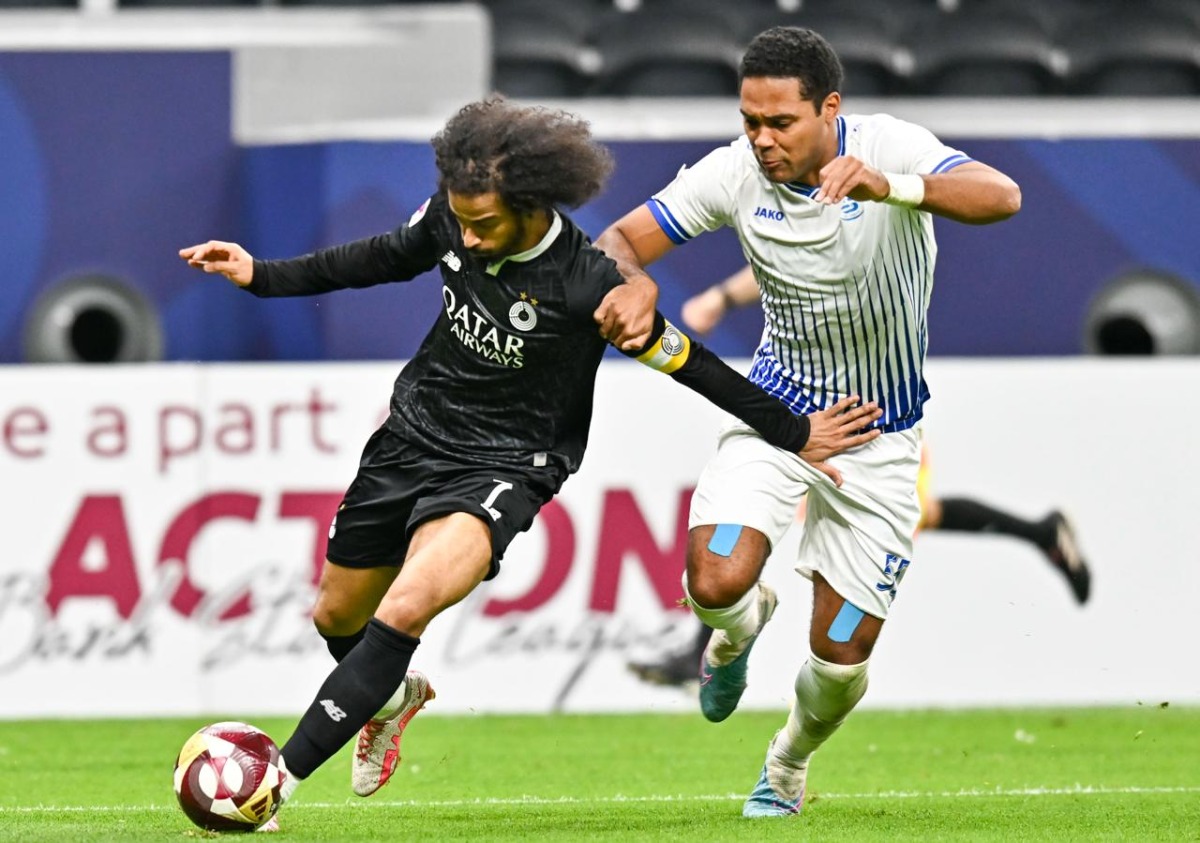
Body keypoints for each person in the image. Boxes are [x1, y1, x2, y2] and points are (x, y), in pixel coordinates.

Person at [178, 97, 883, 828]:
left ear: (530, 204)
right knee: (336, 616)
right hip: (412, 436)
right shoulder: (453, 217)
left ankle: (277, 779)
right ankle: (393, 696)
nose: (471, 236)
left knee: (406, 607)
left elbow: (691, 363)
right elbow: (381, 257)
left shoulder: (589, 283)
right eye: (462, 220)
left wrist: (794, 431)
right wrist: (261, 274)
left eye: (485, 223)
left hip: (506, 464)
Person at [595, 27, 1023, 818]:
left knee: (840, 653)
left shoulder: (891, 145)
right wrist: (633, 283)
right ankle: (740, 626)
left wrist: (891, 186)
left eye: (780, 122)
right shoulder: (733, 171)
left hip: (881, 438)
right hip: (780, 416)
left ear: (830, 109)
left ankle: (786, 763)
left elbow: (1002, 197)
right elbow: (619, 241)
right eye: (750, 119)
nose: (760, 139)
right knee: (716, 579)